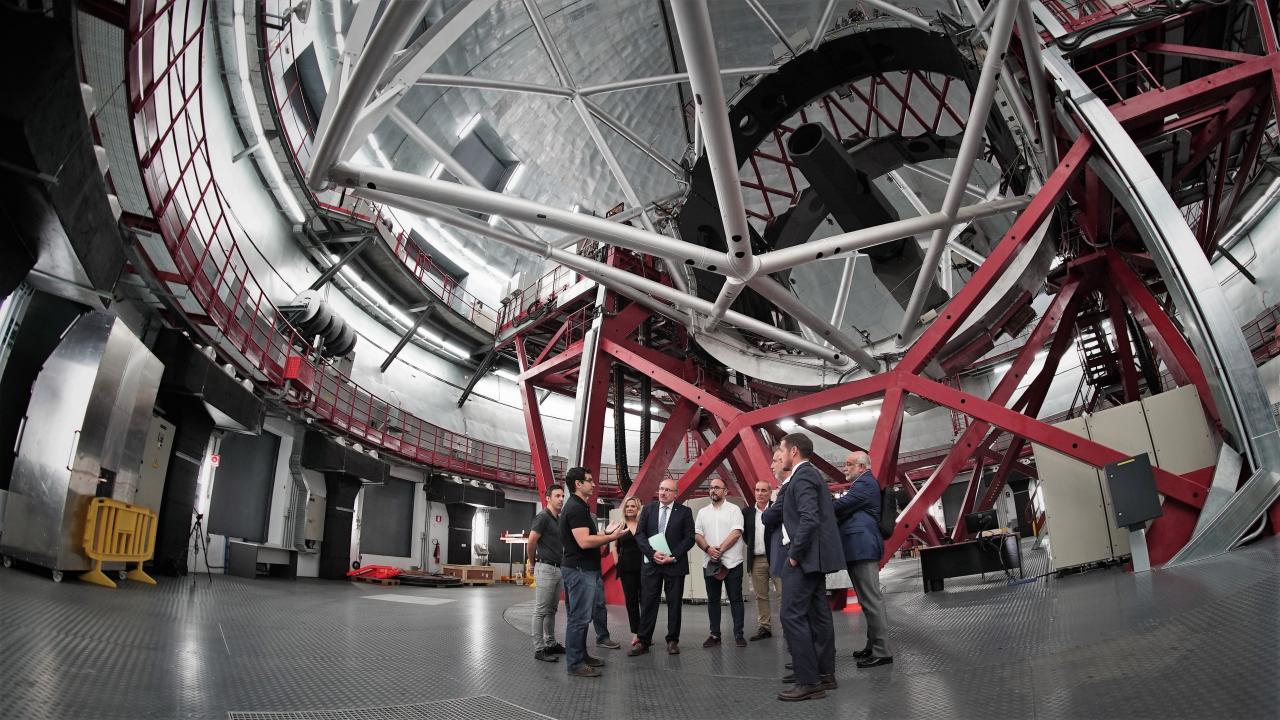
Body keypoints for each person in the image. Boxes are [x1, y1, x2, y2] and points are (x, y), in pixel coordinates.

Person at [763, 433, 845, 702]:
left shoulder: (803, 476)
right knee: (818, 615)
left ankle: (808, 681)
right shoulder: (808, 475)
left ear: (793, 451)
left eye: (781, 451)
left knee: (791, 616)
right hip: (812, 560)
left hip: (803, 560)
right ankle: (824, 674)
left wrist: (795, 555)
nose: (779, 457)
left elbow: (810, 519)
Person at [559, 467, 629, 678]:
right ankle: (575, 664)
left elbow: (588, 535)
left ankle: (581, 656)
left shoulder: (580, 506)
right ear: (578, 484)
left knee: (581, 617)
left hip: (583, 569)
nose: (594, 484)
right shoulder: (576, 508)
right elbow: (584, 541)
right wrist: (610, 537)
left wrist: (606, 532)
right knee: (579, 619)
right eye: (589, 480)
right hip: (580, 570)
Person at [833, 451, 892, 668]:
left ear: (861, 467)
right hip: (858, 549)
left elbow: (840, 506)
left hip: (863, 548)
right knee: (867, 601)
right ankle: (873, 645)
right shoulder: (862, 484)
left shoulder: (865, 484)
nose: (844, 468)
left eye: (848, 464)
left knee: (871, 600)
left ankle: (882, 651)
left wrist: (819, 502)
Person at [630, 478, 696, 656]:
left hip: (674, 565)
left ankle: (672, 641)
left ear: (675, 493)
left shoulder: (685, 512)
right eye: (661, 489)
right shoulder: (648, 509)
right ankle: (643, 641)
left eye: (667, 490)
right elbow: (640, 534)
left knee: (674, 604)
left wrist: (672, 556)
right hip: (652, 564)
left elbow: (689, 538)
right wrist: (652, 553)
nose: (663, 492)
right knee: (648, 602)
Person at [694, 477, 746, 648]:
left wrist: (720, 550)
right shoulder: (702, 512)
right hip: (710, 563)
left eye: (717, 487)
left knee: (736, 599)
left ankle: (739, 634)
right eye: (711, 487)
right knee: (713, 600)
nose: (713, 490)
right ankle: (714, 635)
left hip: (732, 562)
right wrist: (709, 550)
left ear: (725, 491)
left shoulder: (734, 510)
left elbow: (736, 532)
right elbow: (697, 535)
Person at [528, 485, 567, 662]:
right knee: (541, 610)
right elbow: (531, 541)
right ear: (548, 498)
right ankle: (539, 649)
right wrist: (532, 562)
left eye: (562, 496)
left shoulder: (557, 519)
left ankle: (550, 643)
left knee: (552, 609)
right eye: (557, 496)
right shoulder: (542, 517)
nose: (561, 499)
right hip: (545, 567)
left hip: (558, 568)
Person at [742, 478, 780, 641]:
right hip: (756, 559)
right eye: (757, 490)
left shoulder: (778, 510)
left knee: (783, 594)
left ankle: (789, 626)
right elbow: (745, 536)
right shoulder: (747, 513)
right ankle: (765, 627)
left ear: (770, 493)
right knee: (761, 596)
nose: (760, 493)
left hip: (777, 558)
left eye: (764, 490)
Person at [612, 496, 644, 647]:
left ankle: (645, 632)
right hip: (626, 567)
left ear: (638, 509)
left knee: (646, 601)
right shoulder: (620, 525)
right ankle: (636, 633)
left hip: (644, 567)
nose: (630, 508)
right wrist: (617, 562)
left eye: (633, 506)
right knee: (631, 601)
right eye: (627, 506)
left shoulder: (644, 525)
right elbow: (613, 547)